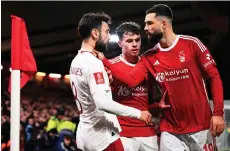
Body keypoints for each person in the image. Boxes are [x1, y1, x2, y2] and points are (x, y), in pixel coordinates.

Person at [98, 4, 225, 151]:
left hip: (201, 125)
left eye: (149, 23)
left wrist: (218, 113)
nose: (145, 28)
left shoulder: (192, 44)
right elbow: (131, 80)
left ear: (164, 24)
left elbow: (214, 77)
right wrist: (105, 63)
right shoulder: (148, 57)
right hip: (170, 129)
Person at [69, 12, 152, 151]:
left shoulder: (76, 60)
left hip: (84, 132)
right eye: (107, 32)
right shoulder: (94, 63)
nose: (108, 37)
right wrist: (139, 113)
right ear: (95, 33)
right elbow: (103, 103)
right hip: (102, 137)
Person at [108, 21, 170, 151]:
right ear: (120, 43)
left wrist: (157, 106)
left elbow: (147, 105)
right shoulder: (109, 66)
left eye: (137, 40)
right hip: (122, 132)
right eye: (129, 41)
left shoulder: (148, 65)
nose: (135, 44)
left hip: (147, 131)